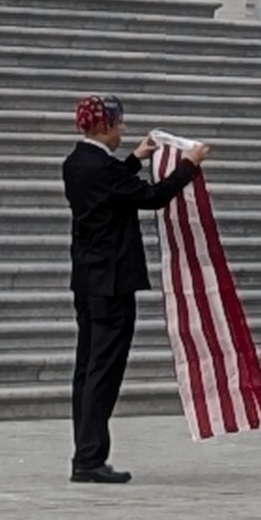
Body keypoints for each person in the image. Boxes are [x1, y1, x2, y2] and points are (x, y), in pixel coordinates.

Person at [62, 94, 205, 485]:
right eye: (120, 124)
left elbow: (112, 185)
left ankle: (85, 452)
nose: (124, 130)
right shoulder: (103, 170)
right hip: (111, 282)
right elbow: (152, 197)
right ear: (105, 126)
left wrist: (135, 159)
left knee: (87, 367)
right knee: (104, 371)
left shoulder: (76, 162)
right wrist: (189, 166)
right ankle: (90, 458)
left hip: (87, 280)